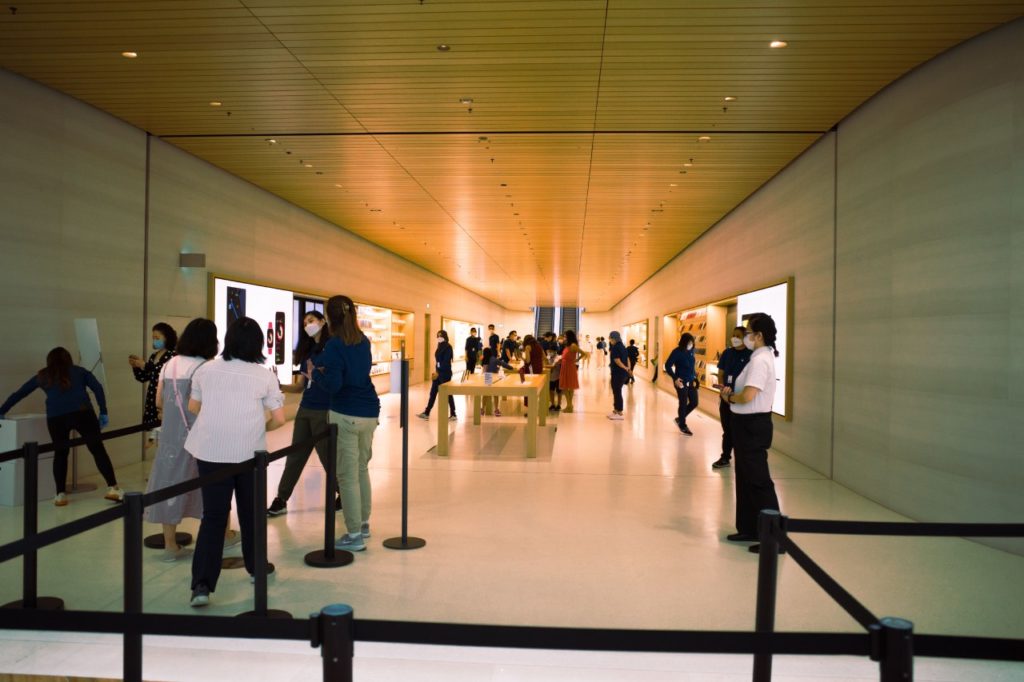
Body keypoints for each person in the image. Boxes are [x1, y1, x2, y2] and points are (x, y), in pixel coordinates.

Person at [185, 317, 285, 607]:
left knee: (213, 517)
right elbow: (278, 419)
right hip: (249, 455)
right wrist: (256, 427)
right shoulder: (264, 375)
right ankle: (257, 568)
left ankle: (201, 585)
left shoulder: (206, 370)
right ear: (258, 343)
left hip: (210, 452)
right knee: (251, 512)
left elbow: (194, 407)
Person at [146, 318, 233, 562]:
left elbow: (159, 402)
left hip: (172, 439)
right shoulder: (207, 368)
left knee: (170, 485)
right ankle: (224, 535)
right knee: (216, 484)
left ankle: (170, 545)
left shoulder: (169, 364)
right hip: (203, 437)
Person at [1, 347, 123, 506]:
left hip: (56, 417)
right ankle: (113, 488)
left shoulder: (43, 375)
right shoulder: (79, 371)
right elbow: (98, 388)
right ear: (68, 358)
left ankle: (60, 494)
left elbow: (20, 393)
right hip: (83, 413)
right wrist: (103, 411)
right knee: (97, 449)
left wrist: (2, 411)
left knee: (60, 454)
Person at [318, 295, 381, 553]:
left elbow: (335, 384)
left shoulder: (334, 346)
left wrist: (315, 375)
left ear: (330, 317)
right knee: (361, 469)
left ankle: (354, 534)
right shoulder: (363, 341)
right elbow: (358, 374)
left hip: (345, 413)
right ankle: (364, 524)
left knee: (346, 475)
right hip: (369, 411)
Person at [267, 310, 338, 516]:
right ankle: (281, 498)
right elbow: (300, 387)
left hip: (323, 409)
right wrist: (278, 385)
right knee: (295, 455)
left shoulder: (331, 349)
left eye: (312, 320)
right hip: (305, 409)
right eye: (305, 322)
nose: (308, 325)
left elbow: (333, 382)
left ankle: (343, 491)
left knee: (327, 456)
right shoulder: (308, 353)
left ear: (323, 322)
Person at [720, 313, 781, 554]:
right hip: (744, 423)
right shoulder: (757, 357)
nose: (744, 337)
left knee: (758, 481)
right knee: (744, 478)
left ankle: (774, 538)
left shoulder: (760, 360)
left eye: (748, 333)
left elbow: (747, 396)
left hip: (753, 425)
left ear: (759, 336)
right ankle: (749, 527)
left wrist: (729, 397)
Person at [712, 326, 753, 470]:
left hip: (741, 399)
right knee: (727, 429)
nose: (735, 338)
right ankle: (725, 457)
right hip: (725, 398)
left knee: (741, 430)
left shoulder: (751, 355)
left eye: (738, 336)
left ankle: (744, 458)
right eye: (733, 335)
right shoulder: (727, 353)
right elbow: (721, 373)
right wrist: (722, 390)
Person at [129, 322, 177, 442]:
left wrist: (144, 365)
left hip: (165, 398)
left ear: (166, 338)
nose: (155, 340)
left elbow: (161, 370)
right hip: (152, 398)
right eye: (153, 338)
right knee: (156, 434)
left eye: (157, 338)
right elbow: (143, 377)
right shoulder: (153, 356)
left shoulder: (173, 355)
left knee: (167, 433)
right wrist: (136, 366)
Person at [417, 329, 457, 421]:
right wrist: (436, 372)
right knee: (433, 393)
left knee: (448, 394)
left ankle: (453, 414)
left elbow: (446, 362)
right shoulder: (439, 346)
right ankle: (427, 412)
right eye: (438, 336)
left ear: (445, 336)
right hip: (438, 373)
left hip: (445, 374)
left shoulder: (448, 347)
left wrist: (438, 373)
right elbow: (438, 361)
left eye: (441, 336)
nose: (439, 338)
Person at [664, 333, 698, 435]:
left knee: (694, 402)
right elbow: (667, 365)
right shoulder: (677, 352)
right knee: (683, 403)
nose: (691, 344)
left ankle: (680, 418)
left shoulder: (691, 351)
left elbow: (692, 366)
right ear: (684, 342)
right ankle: (682, 425)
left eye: (692, 342)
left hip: (691, 381)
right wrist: (675, 378)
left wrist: (695, 378)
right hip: (680, 382)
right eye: (689, 342)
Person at [558, 330, 587, 413]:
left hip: (569, 367)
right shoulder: (568, 345)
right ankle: (569, 405)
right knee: (566, 386)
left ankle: (569, 405)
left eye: (565, 336)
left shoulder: (573, 345)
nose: (564, 337)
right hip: (565, 366)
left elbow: (583, 353)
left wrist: (576, 360)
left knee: (568, 386)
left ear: (569, 337)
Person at [606, 331, 632, 420]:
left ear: (613, 338)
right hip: (622, 373)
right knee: (616, 391)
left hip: (618, 373)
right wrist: (628, 368)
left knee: (617, 391)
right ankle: (616, 410)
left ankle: (619, 412)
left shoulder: (615, 347)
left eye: (610, 338)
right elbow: (627, 358)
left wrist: (625, 368)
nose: (609, 340)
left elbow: (617, 360)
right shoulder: (622, 346)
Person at [480, 347, 503, 417]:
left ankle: (482, 409)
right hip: (494, 376)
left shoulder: (484, 360)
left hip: (487, 376)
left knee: (485, 394)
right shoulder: (492, 359)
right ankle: (496, 409)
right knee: (495, 393)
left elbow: (484, 370)